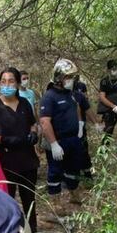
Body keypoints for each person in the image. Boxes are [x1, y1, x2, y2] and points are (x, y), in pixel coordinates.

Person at [0, 67, 41, 233]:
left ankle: (33, 231)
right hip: (6, 163)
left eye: (11, 81)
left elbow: (33, 124)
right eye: (3, 81)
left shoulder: (25, 103)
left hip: (27, 160)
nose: (7, 85)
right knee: (7, 201)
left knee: (29, 199)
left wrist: (34, 133)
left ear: (18, 83)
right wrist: (3, 140)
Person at [39, 59, 100, 214]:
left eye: (72, 77)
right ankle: (56, 202)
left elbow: (86, 109)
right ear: (59, 77)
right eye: (68, 77)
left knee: (73, 169)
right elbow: (45, 122)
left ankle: (74, 194)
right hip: (57, 142)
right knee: (55, 172)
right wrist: (53, 144)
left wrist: (96, 124)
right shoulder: (49, 96)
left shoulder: (73, 95)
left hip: (73, 139)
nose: (71, 80)